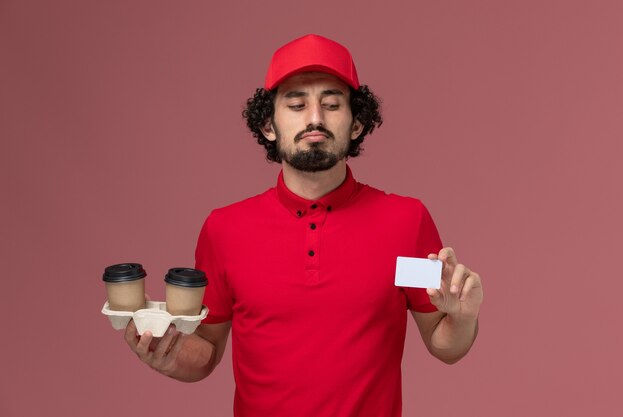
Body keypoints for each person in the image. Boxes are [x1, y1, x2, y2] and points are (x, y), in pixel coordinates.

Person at [124, 34, 483, 417]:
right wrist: (168, 355)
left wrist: (463, 317)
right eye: (296, 104)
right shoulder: (224, 229)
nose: (315, 118)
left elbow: (444, 343)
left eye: (331, 104)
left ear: (357, 123)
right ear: (268, 126)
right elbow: (205, 353)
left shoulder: (406, 221)